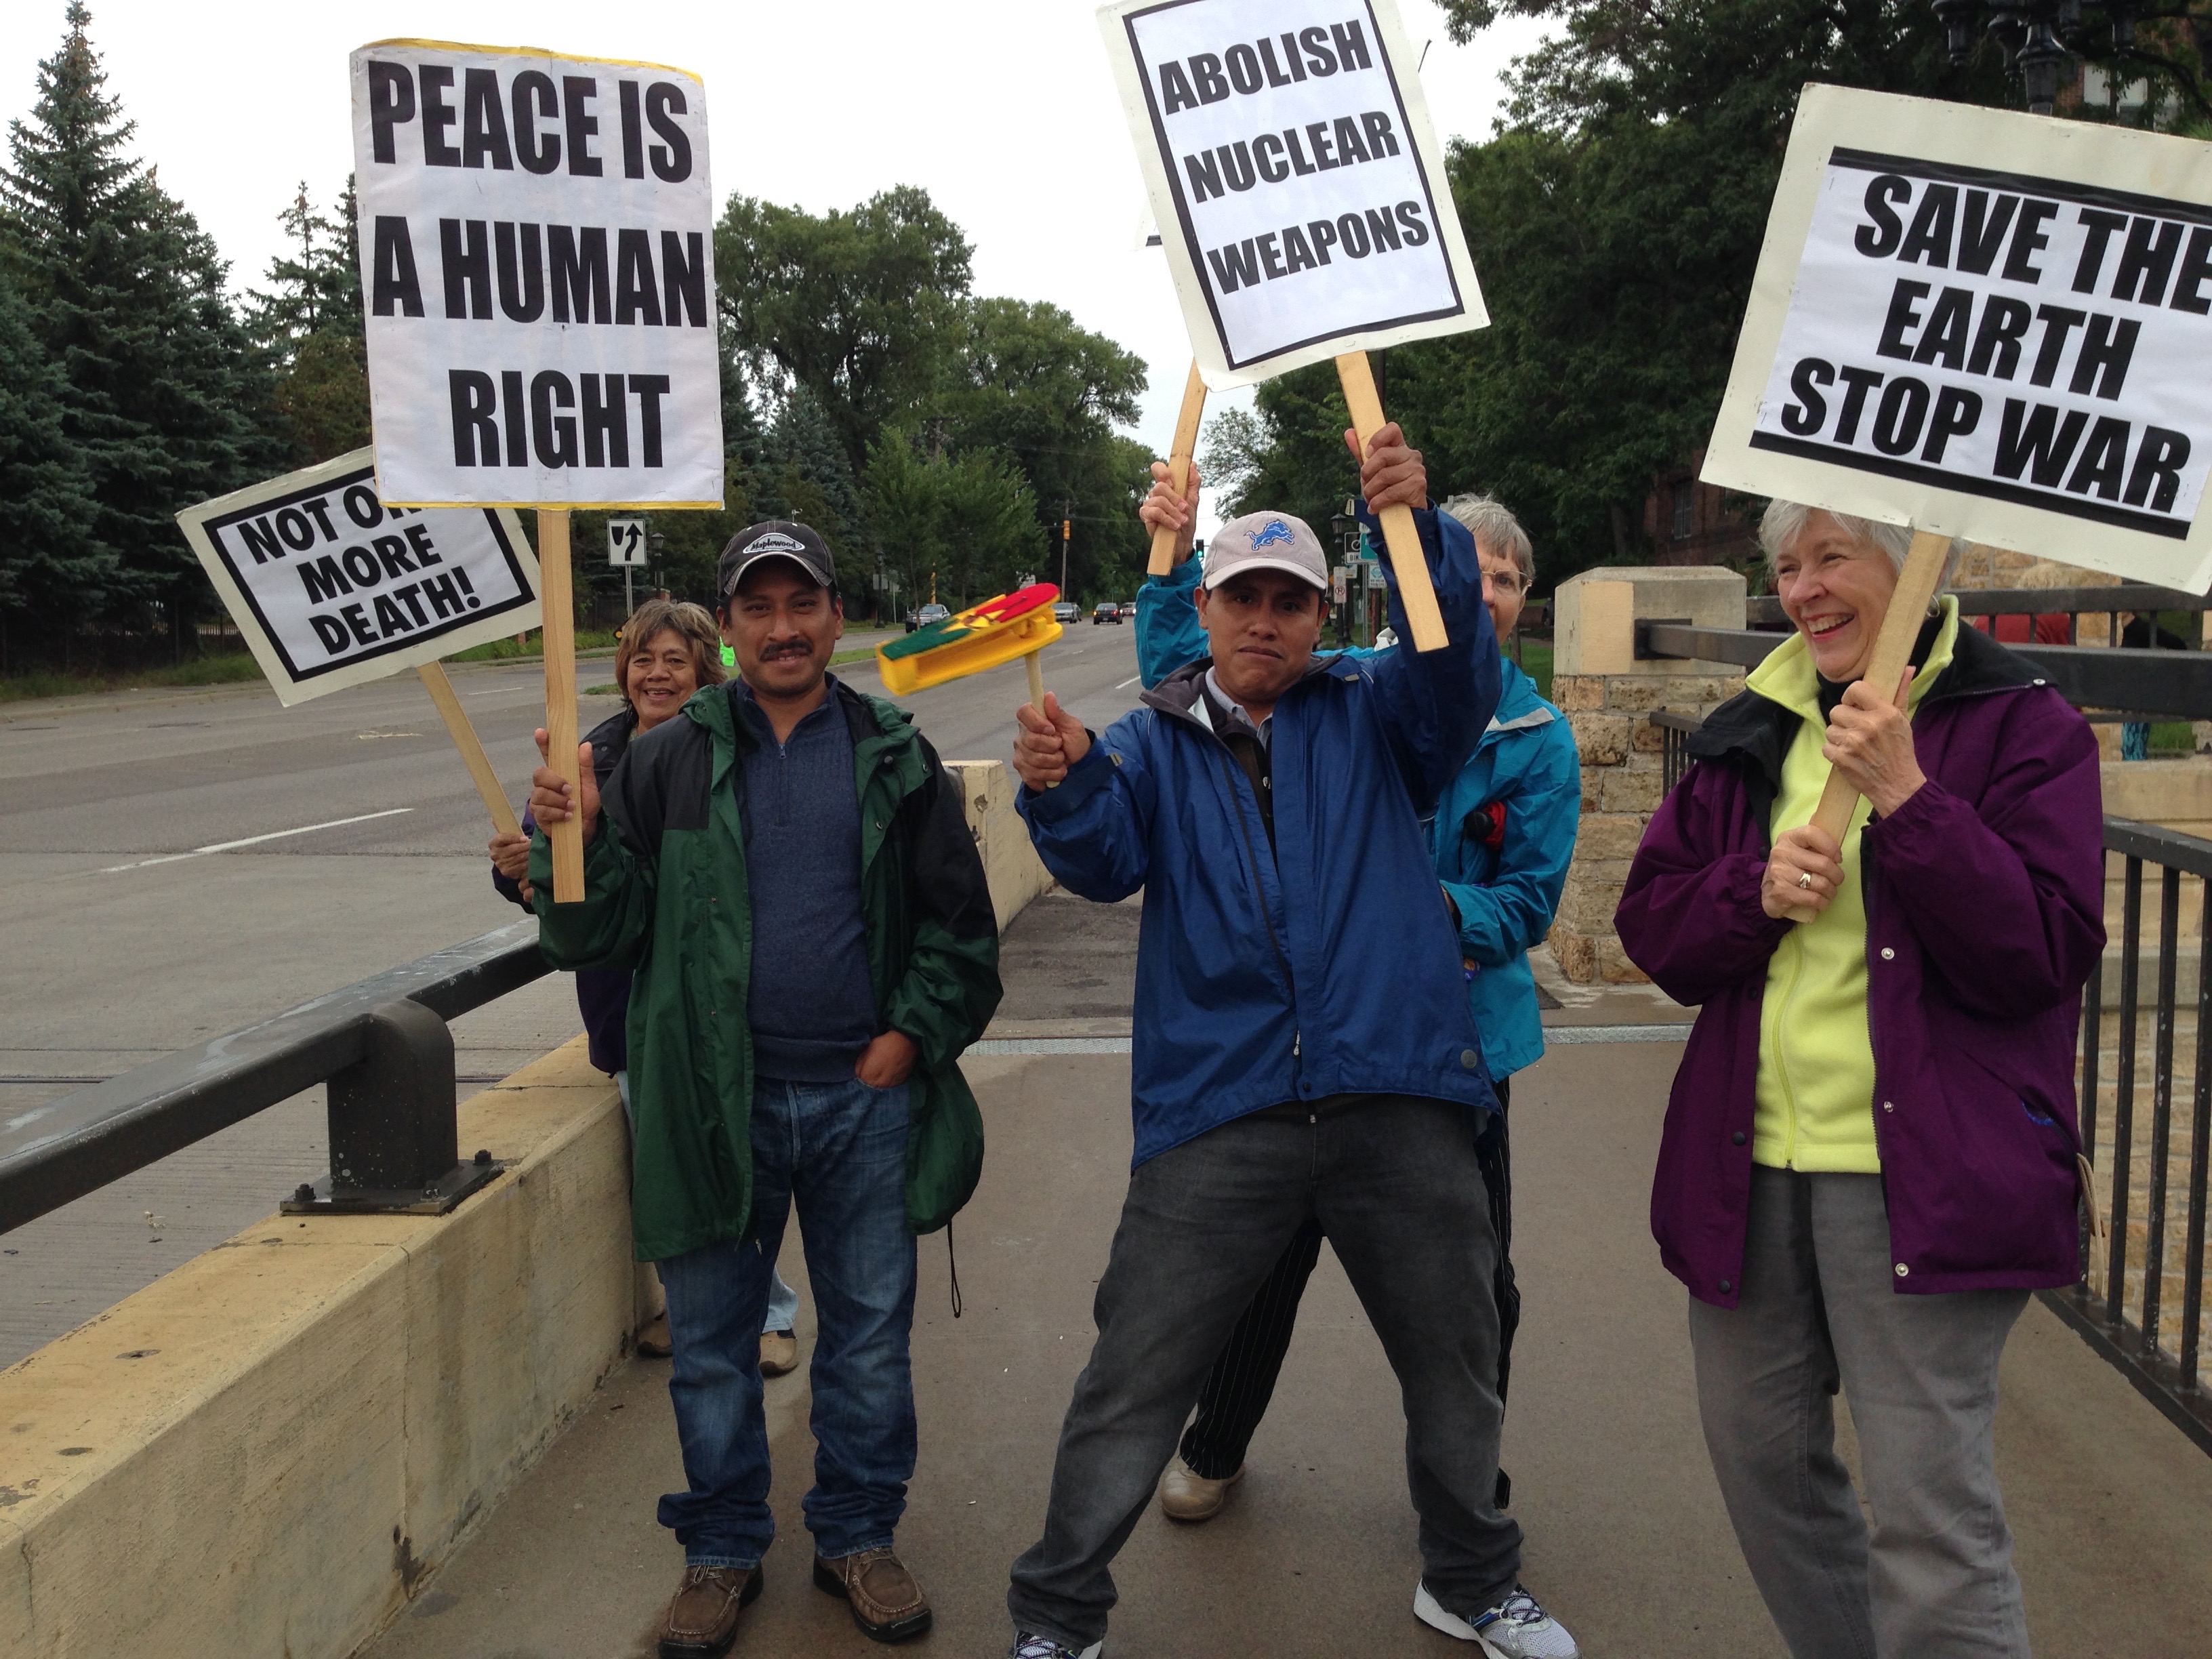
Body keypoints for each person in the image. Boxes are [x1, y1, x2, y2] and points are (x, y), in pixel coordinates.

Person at [1002, 427, 1580, 1659]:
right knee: (1133, 1374)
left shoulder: (1381, 717)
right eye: (1242, 598)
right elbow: (1101, 861)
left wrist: (1409, 526)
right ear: (1205, 608)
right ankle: (1058, 1615)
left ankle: (1471, 1580)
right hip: (1221, 1104)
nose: (1263, 622)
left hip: (1395, 1092)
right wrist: (1059, 784)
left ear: (1324, 616)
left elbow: (1454, 665)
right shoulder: (1147, 740)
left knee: (1456, 1357)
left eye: (1290, 601)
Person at [1615, 504, 2104, 1658]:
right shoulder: (1752, 725)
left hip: (1920, 1179)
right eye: (1785, 566)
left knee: (1930, 1518)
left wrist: (1909, 798)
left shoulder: (2023, 724)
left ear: (1914, 564)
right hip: (1746, 1171)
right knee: (1765, 1474)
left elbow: (2038, 953)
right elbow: (1654, 926)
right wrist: (1747, 893)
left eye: (1832, 557)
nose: (1802, 590)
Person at [527, 522, 1002, 1659]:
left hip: (862, 1105)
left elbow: (961, 928)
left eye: (802, 604)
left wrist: (908, 1037)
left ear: (836, 617)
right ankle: (721, 1547)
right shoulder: (665, 761)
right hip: (711, 1104)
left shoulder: (894, 755)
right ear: (730, 628)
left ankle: (857, 1534)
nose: (782, 628)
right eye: (758, 608)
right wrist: (569, 845)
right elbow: (599, 936)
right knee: (709, 1345)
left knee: (868, 1342)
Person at [1130, 476, 1580, 1524]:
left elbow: (1525, 903)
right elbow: (1197, 682)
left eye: (1505, 579)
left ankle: (1465, 1494)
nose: (1486, 594)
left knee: (1470, 1286)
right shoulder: (1357, 694)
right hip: (1313, 1045)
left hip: (1462, 1051)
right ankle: (1217, 1439)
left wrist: (1410, 907)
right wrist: (1170, 555)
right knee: (1266, 1262)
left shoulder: (1539, 736)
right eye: (1467, 570)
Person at [491, 600, 804, 1372]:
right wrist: (522, 869)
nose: (656, 674)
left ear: (705, 667)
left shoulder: (725, 748)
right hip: (624, 1008)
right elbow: (557, 884)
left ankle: (768, 1315)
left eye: (674, 660)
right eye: (642, 659)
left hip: (713, 1001)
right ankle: (691, 1308)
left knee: (730, 1165)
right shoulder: (590, 753)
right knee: (666, 1173)